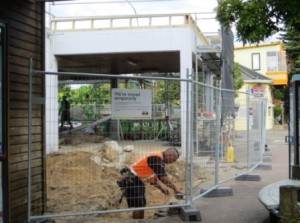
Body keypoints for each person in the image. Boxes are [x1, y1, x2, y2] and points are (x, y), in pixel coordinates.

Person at [118, 147, 184, 219]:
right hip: (132, 180)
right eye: (173, 160)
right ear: (170, 155)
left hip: (136, 180)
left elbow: (151, 177)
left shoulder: (158, 158)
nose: (172, 162)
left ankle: (140, 221)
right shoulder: (157, 158)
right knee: (138, 206)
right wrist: (175, 189)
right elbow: (163, 178)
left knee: (141, 204)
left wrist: (160, 187)